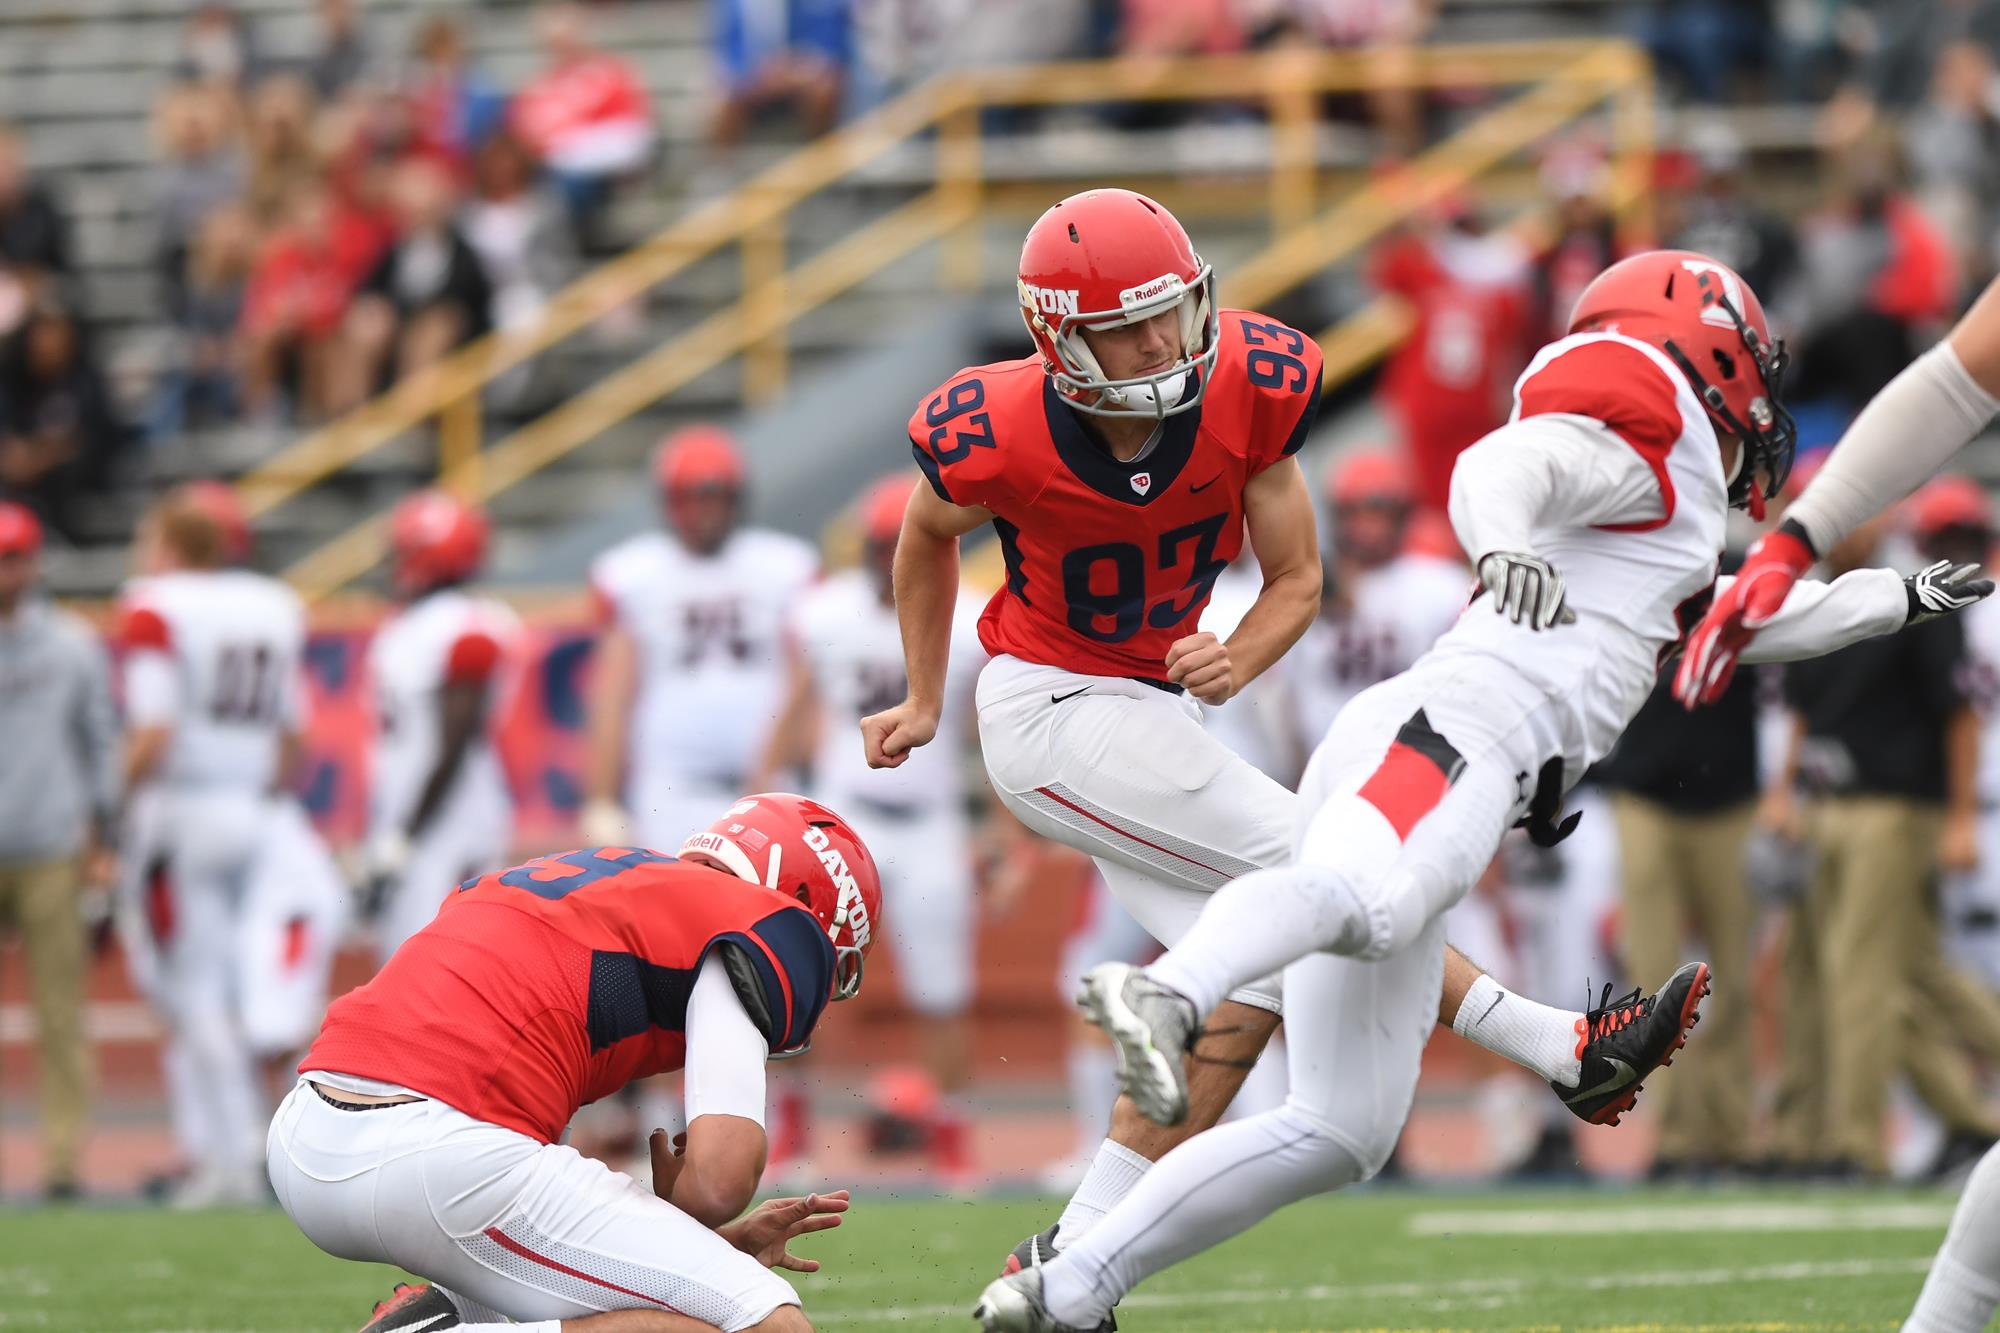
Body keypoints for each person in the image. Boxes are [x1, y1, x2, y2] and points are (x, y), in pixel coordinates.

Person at [980, 249, 1995, 1332]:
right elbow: (1500, 467)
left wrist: (1904, 596)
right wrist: (1501, 540)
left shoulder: (1671, 503)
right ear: (1703, 352)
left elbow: (1739, 619)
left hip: (1446, 743)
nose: (1761, 393)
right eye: (1746, 361)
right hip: (1457, 737)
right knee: (1365, 905)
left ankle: (1068, 1285)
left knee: (1340, 1127)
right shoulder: (1639, 410)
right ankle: (1172, 991)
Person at [864, 190, 1699, 1284]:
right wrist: (925, 697)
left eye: (1171, 310)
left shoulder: (1248, 387)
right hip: (1050, 709)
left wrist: (1237, 656)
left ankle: (1067, 1251)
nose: (1161, 341)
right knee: (1323, 868)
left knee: (1257, 980)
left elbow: (1296, 577)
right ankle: (1558, 1045)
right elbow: (925, 534)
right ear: (1057, 336)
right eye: (1126, 325)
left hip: (1152, 712)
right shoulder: (999, 424)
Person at [267, 793, 876, 1333]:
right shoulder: (757, 921)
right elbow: (720, 1178)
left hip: (307, 1133)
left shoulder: (585, 882)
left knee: (616, 1308)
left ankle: (442, 1322)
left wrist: (697, 1246)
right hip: (437, 1151)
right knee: (769, 1323)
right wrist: (694, 1216)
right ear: (802, 898)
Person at [755, 474, 989, 1186]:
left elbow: (994, 731)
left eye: (899, 544)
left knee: (943, 987)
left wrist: (1004, 835)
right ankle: (799, 1131)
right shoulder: (826, 615)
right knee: (806, 978)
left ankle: (953, 1141)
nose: (889, 559)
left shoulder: (972, 617)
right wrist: (759, 796)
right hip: (840, 814)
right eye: (881, 545)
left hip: (929, 820)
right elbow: (796, 710)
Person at [1766, 507, 2000, 1180]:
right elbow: (1804, 711)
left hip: (1894, 809)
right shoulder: (1814, 599)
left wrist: (1958, 817)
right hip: (1827, 805)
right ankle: (1967, 1117)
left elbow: (1960, 715)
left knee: (1861, 977)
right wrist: (1784, 792)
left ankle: (1856, 1143)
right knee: (1909, 972)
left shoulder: (1916, 594)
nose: (1832, 533)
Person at [118, 482, 309, 1208]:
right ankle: (253, 1146)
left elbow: (153, 728)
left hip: (184, 812)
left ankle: (230, 1155)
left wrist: (109, 811)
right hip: (256, 809)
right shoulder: (272, 603)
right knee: (242, 987)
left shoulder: (157, 603)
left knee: (193, 990)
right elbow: (295, 735)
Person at [586, 427, 818, 855]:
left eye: (715, 499)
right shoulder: (631, 572)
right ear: (670, 503)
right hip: (672, 784)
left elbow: (808, 682)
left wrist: (804, 761)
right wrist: (601, 795)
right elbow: (612, 692)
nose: (706, 514)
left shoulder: (786, 565)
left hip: (765, 782)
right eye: (694, 499)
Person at [0, 502, 118, 1199]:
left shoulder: (71, 643)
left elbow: (100, 739)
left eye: (14, 557)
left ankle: (65, 1158)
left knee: (61, 1011)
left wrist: (104, 834)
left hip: (50, 845)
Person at [362, 490, 520, 957]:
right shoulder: (415, 626)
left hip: (449, 817)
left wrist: (404, 833)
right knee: (404, 955)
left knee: (440, 960)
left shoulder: (463, 626)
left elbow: (452, 742)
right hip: (418, 813)